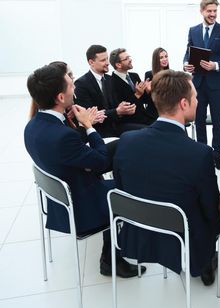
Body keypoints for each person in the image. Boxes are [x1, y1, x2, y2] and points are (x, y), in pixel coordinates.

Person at [24, 64, 143, 278]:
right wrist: (89, 126)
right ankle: (111, 258)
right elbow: (100, 160)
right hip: (81, 206)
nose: (74, 87)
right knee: (130, 187)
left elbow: (69, 152)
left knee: (122, 145)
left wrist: (74, 123)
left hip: (60, 198)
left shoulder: (32, 126)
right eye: (70, 83)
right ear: (60, 97)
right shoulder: (62, 136)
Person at [113, 70, 220, 286]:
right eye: (196, 97)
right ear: (183, 104)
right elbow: (211, 209)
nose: (198, 101)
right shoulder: (200, 154)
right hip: (181, 237)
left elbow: (121, 186)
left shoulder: (126, 141)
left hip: (138, 232)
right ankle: (206, 261)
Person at [183, 0, 220, 169]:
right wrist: (185, 64)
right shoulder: (193, 30)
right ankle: (203, 152)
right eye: (209, 11)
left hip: (217, 84)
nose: (213, 14)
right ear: (202, 11)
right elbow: (188, 52)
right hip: (197, 83)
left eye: (215, 11)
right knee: (199, 119)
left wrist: (216, 65)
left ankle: (216, 153)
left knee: (218, 120)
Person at [74, 45, 136, 137]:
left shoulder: (110, 79)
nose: (107, 63)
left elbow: (115, 107)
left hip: (116, 127)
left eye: (107, 59)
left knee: (145, 132)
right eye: (103, 60)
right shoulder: (81, 84)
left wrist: (124, 108)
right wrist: (117, 111)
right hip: (98, 132)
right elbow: (91, 116)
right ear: (91, 62)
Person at [109, 48, 157, 130]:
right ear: (118, 65)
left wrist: (147, 91)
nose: (130, 60)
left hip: (144, 117)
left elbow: (144, 100)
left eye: (129, 57)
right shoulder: (111, 82)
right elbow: (124, 108)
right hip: (128, 122)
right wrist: (137, 94)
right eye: (126, 59)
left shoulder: (134, 75)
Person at [144, 47, 170, 118]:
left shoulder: (171, 74)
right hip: (154, 111)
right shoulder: (149, 74)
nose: (165, 59)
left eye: (166, 56)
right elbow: (146, 100)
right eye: (161, 57)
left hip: (169, 110)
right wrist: (148, 91)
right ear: (156, 60)